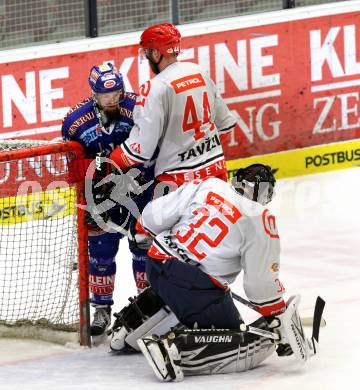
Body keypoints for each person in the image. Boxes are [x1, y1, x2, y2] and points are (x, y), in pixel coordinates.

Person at [110, 164, 311, 380]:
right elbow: (259, 285)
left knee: (176, 286)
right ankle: (173, 349)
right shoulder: (260, 218)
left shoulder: (209, 185)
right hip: (193, 289)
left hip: (157, 263)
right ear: (265, 194)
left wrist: (142, 230)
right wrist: (276, 320)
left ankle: (129, 325)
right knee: (241, 338)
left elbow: (158, 213)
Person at [62, 62, 154, 337]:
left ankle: (148, 306)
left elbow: (154, 146)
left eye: (116, 94)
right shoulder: (74, 123)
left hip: (141, 193)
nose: (112, 100)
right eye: (106, 96)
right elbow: (74, 168)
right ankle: (101, 309)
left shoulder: (138, 109)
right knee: (100, 254)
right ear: (94, 94)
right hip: (102, 198)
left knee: (143, 250)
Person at [109, 23, 236, 191]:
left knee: (146, 219)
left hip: (178, 182)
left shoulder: (154, 87)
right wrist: (203, 152)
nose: (147, 57)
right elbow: (226, 126)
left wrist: (110, 161)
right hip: (215, 171)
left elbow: (142, 149)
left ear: (155, 53)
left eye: (147, 52)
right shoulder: (199, 71)